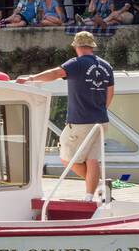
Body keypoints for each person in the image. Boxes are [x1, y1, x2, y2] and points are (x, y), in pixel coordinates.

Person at [18, 31, 115, 201]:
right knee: (92, 160)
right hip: (101, 120)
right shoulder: (106, 66)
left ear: (76, 47)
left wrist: (31, 78)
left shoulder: (76, 63)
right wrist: (100, 110)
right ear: (92, 46)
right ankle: (89, 195)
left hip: (80, 121)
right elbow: (110, 93)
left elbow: (55, 74)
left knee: (66, 158)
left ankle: (98, 185)